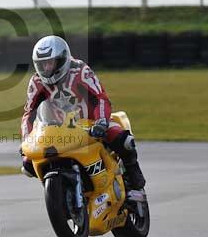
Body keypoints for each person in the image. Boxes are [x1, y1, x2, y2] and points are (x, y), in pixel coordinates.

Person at [20, 35, 146, 191]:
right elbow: (29, 113)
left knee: (123, 140)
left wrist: (101, 122)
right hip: (55, 129)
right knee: (27, 163)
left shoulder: (79, 71)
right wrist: (26, 139)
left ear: (62, 60)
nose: (46, 69)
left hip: (90, 123)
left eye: (50, 63)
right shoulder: (37, 82)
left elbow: (100, 97)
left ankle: (132, 172)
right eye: (42, 65)